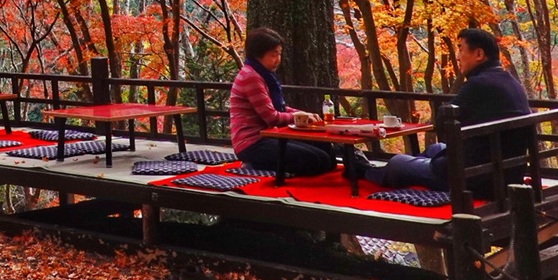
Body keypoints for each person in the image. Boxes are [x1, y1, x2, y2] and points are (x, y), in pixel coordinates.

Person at [370, 27, 533, 192]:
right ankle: (408, 173)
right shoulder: (510, 82)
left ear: (479, 54)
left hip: (475, 176)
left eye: (461, 49)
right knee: (435, 149)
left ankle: (370, 172)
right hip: (505, 169)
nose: (458, 56)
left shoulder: (478, 84)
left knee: (397, 163)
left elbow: (443, 122)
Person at [228, 27, 335, 177]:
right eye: (273, 55)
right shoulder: (250, 77)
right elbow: (271, 117)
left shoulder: (262, 75)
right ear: (258, 54)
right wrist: (298, 116)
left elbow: (279, 108)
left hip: (269, 136)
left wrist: (303, 114)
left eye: (279, 54)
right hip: (252, 142)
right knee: (318, 160)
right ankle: (256, 165)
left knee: (326, 153)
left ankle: (273, 166)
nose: (277, 59)